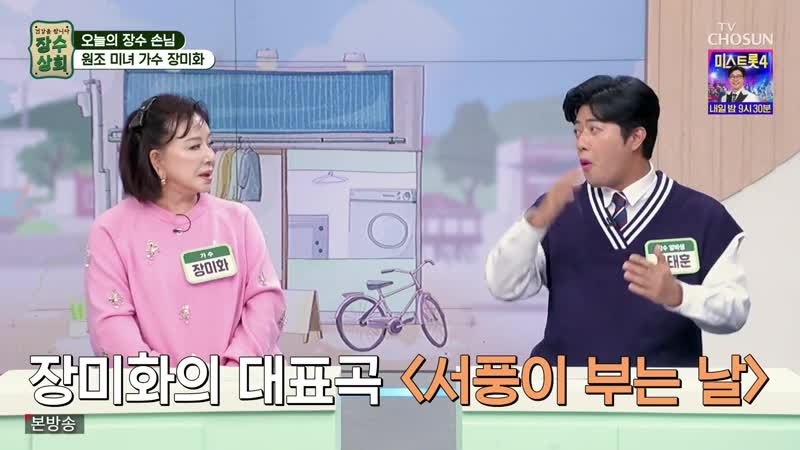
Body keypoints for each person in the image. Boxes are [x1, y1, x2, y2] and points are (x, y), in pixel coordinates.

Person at [485, 75, 751, 367]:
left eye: (594, 130)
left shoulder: (701, 214)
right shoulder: (557, 208)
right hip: (566, 389)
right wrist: (532, 226)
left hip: (661, 391)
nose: (581, 143)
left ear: (636, 138)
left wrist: (678, 295)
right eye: (577, 131)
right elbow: (503, 286)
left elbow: (735, 310)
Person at [85, 94, 286, 366]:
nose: (210, 156)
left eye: (209, 144)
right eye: (194, 147)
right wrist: (171, 382)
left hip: (241, 384)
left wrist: (234, 371)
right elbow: (111, 325)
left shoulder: (238, 220)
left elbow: (266, 300)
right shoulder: (111, 231)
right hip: (153, 388)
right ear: (157, 160)